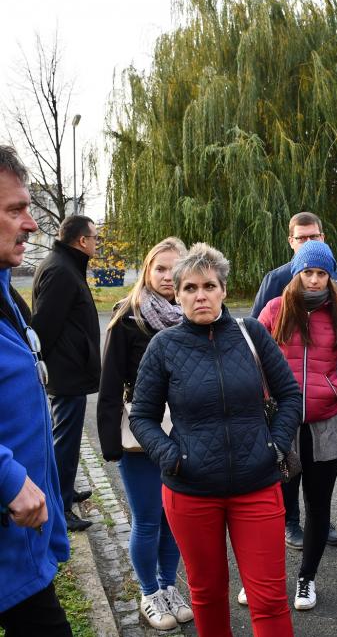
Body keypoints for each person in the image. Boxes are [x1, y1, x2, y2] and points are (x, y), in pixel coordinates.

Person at [129, 243, 301, 637]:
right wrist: (171, 456)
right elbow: (142, 416)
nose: (200, 295)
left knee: (269, 599)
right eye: (189, 288)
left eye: (209, 285)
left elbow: (290, 394)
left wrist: (274, 445)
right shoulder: (164, 347)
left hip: (256, 485)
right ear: (178, 293)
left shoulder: (251, 334)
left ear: (224, 289)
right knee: (206, 594)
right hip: (190, 491)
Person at [258, 240, 337, 611]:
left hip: (325, 426)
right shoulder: (275, 309)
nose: (316, 280)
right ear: (297, 273)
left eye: (322, 273)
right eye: (309, 272)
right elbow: (252, 358)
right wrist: (266, 398)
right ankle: (264, 579)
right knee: (273, 507)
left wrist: (334, 387)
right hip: (280, 426)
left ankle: (307, 579)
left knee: (318, 506)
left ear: (330, 275)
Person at [97, 237, 193, 630]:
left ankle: (169, 586)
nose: (168, 276)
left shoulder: (195, 314)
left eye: (176, 268)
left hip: (186, 429)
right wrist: (110, 444)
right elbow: (109, 384)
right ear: (148, 270)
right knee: (149, 519)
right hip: (140, 430)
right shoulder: (127, 317)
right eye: (160, 268)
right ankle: (149, 591)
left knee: (175, 518)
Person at [0, 146, 71, 635]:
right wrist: (5, 477)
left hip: (19, 552)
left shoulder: (5, 288)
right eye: (13, 210)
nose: (31, 224)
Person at [251, 211, 337, 548]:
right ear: (291, 241)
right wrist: (266, 391)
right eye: (302, 237)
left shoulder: (336, 277)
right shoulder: (276, 280)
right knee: (287, 465)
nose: (308, 241)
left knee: (321, 466)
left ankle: (320, 520)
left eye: (314, 236)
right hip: (283, 399)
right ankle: (289, 521)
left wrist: (334, 386)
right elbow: (255, 338)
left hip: (322, 400)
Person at [31, 214, 101, 531]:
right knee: (64, 442)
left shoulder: (66, 263)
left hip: (70, 370)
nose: (97, 243)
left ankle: (66, 492)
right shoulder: (60, 269)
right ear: (81, 241)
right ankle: (60, 508)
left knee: (69, 442)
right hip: (66, 374)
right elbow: (43, 326)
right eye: (94, 237)